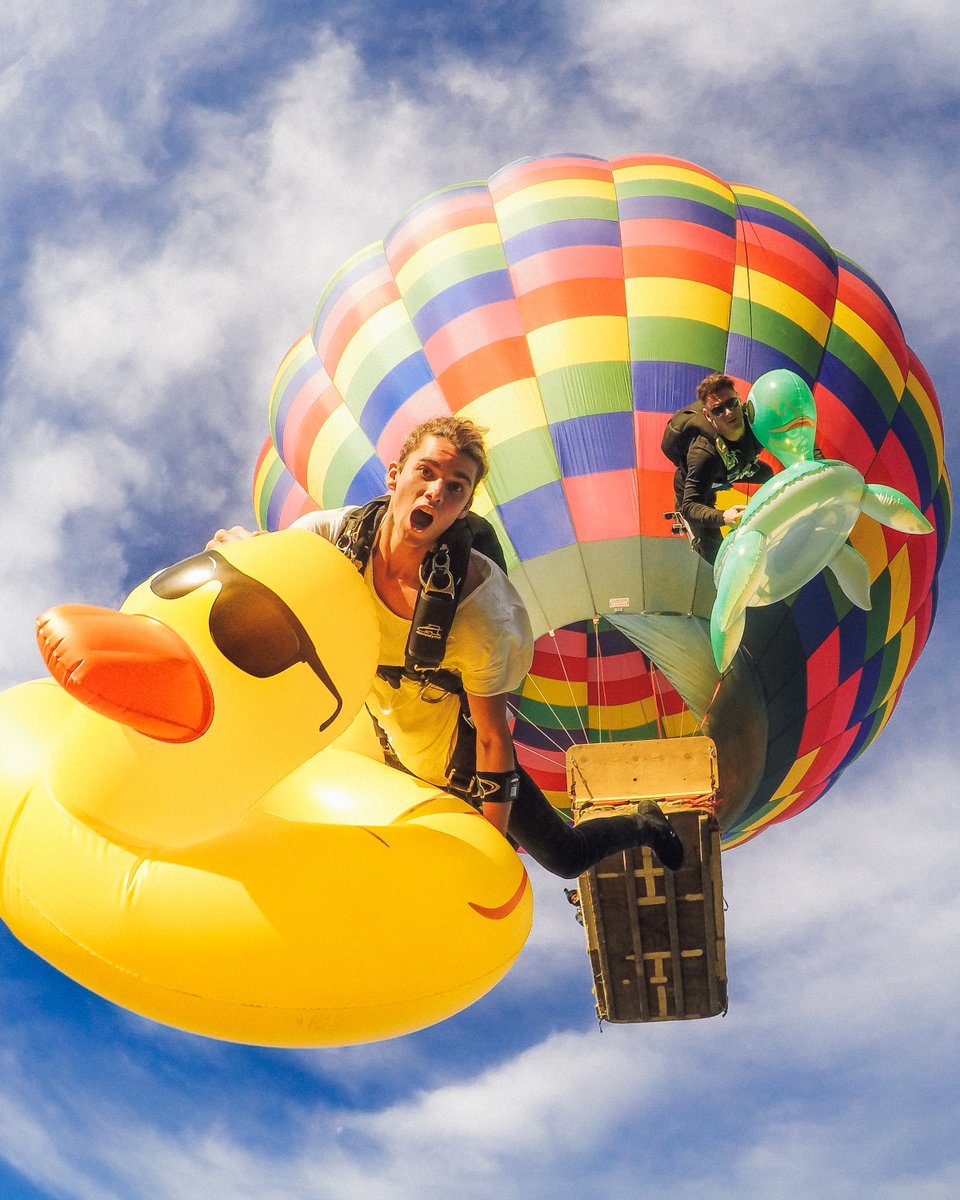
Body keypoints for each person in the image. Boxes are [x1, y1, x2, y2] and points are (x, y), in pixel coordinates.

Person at [209, 416, 683, 878]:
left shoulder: (477, 611)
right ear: (395, 476)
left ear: (465, 504)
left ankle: (646, 823)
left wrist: (492, 851)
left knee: (566, 858)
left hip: (460, 761)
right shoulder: (333, 538)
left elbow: (495, 740)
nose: (437, 491)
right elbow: (271, 569)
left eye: (456, 486)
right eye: (426, 472)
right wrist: (244, 551)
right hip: (379, 741)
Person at [663, 372, 773, 563]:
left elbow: (793, 430)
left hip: (733, 468)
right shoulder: (704, 454)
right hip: (701, 483)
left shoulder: (757, 421)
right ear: (708, 415)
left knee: (768, 474)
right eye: (718, 410)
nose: (728, 413)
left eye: (731, 403)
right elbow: (690, 506)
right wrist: (724, 517)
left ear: (739, 400)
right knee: (716, 556)